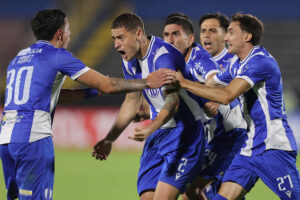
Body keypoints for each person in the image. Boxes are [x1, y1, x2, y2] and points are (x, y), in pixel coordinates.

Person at [0, 9, 174, 200]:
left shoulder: (19, 58)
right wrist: (147, 82)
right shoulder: (57, 55)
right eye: (68, 29)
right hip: (33, 138)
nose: (70, 34)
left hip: (7, 138)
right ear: (60, 34)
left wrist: (92, 92)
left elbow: (52, 95)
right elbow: (107, 85)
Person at [172, 13, 300, 200]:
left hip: (273, 146)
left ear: (247, 36)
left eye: (231, 32)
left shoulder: (260, 62)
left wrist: (184, 83)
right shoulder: (236, 63)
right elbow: (210, 84)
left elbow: (226, 95)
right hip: (248, 148)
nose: (226, 38)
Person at [92, 12, 206, 200]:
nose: (116, 45)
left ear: (138, 34)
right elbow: (131, 102)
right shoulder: (129, 62)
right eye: (113, 39)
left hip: (185, 133)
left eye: (120, 38)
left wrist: (150, 128)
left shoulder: (162, 56)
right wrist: (109, 139)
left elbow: (173, 101)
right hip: (159, 134)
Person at [162, 13, 247, 200]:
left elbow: (213, 80)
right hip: (212, 135)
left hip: (230, 135)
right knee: (200, 191)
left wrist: (214, 99)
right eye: (203, 31)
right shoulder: (181, 60)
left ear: (225, 35)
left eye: (213, 30)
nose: (207, 35)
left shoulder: (217, 60)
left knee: (193, 191)